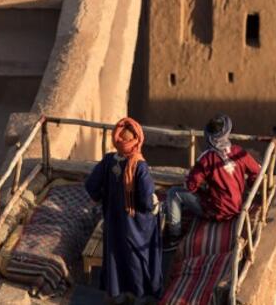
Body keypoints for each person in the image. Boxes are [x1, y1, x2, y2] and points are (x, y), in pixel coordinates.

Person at [85, 117, 163, 302]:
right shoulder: (140, 166)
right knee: (138, 256)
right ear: (137, 139)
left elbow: (91, 186)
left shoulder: (109, 161)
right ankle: (139, 295)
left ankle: (117, 293)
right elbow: (145, 200)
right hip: (135, 223)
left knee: (115, 253)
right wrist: (155, 206)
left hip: (113, 219)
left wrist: (103, 197)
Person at [163, 114, 261, 248]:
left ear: (210, 137)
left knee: (174, 193)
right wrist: (248, 184)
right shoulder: (239, 152)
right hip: (236, 206)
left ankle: (174, 237)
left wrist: (196, 180)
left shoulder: (206, 159)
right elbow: (257, 172)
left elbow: (191, 186)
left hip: (217, 211)